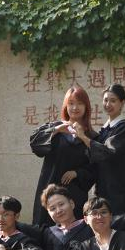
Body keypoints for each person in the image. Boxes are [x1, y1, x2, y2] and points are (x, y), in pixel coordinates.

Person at [30, 86, 96, 226]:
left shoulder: (92, 137)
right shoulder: (55, 128)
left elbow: (96, 167)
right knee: (45, 228)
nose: (75, 107)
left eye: (80, 103)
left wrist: (77, 173)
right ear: (66, 106)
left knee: (73, 230)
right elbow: (35, 144)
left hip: (74, 192)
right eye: (71, 103)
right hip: (50, 186)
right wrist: (56, 130)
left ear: (86, 107)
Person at [74, 84, 125, 216]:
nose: (108, 104)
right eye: (105, 100)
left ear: (122, 103)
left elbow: (108, 152)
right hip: (105, 190)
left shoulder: (124, 128)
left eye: (113, 100)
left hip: (121, 193)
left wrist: (83, 137)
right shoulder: (106, 129)